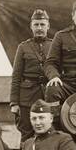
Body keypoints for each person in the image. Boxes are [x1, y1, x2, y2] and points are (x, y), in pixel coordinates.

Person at [10, 9, 52, 139]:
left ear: (48, 26)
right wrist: (14, 103)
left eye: (42, 24)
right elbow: (16, 76)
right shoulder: (23, 47)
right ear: (31, 26)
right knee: (27, 133)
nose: (39, 28)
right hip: (27, 98)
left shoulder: (54, 45)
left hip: (48, 96)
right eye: (36, 25)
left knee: (50, 134)